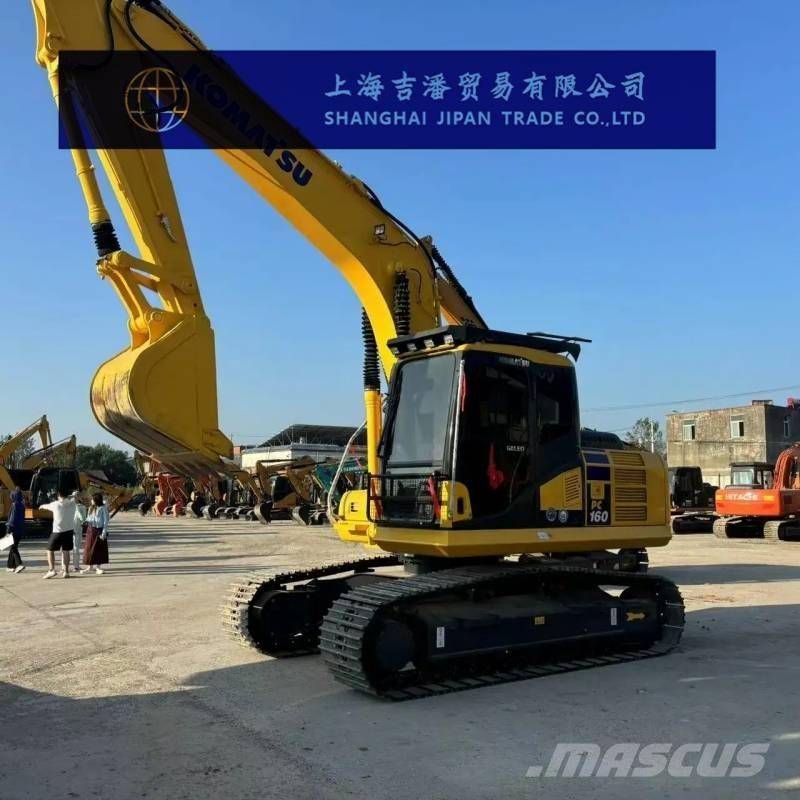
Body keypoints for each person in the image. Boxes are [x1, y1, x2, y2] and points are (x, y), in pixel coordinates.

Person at [39, 489, 77, 579]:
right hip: (69, 531)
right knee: (66, 551)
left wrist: (41, 506)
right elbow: (75, 496)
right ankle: (66, 572)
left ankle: (51, 570)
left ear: (58, 496)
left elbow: (45, 506)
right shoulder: (73, 503)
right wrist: (71, 496)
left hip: (57, 531)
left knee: (49, 550)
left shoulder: (55, 504)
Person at [82, 493, 109, 574]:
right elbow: (88, 518)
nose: (91, 500)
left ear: (96, 500)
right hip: (90, 530)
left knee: (98, 549)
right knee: (88, 548)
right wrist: (86, 521)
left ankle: (98, 568)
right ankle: (89, 567)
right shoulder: (91, 508)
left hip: (99, 530)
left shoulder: (103, 508)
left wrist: (104, 533)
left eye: (92, 499)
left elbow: (106, 521)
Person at [5, 487, 26, 574]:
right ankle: (10, 566)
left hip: (13, 530)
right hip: (20, 530)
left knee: (13, 548)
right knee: (13, 547)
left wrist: (8, 531)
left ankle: (19, 564)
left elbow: (12, 520)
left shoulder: (14, 505)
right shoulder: (22, 506)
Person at [72, 491, 87, 572]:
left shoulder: (81, 507)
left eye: (75, 496)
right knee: (73, 548)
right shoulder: (72, 506)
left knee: (75, 548)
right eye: (73, 496)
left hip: (76, 529)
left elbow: (83, 519)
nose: (74, 498)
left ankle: (76, 566)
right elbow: (83, 519)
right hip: (73, 529)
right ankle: (72, 567)